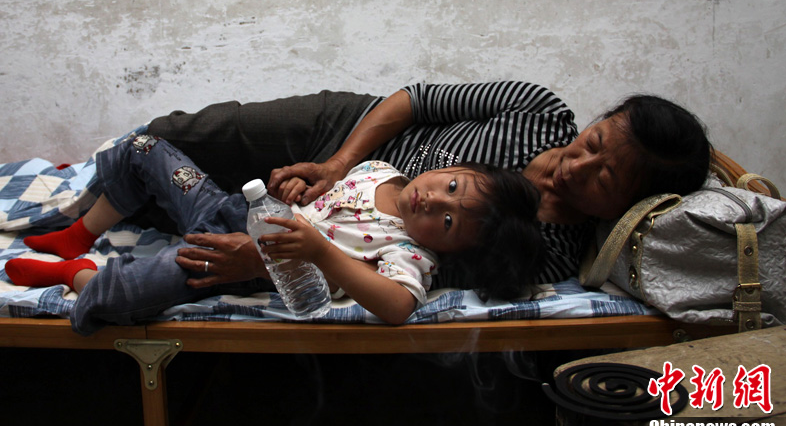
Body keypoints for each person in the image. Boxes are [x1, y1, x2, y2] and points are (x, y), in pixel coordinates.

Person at [155, 82, 712, 290]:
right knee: (178, 136)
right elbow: (414, 99)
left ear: (628, 206)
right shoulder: (539, 110)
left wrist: (267, 262)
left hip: (337, 224)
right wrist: (334, 165)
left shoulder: (548, 253)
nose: (577, 166)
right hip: (343, 133)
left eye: (606, 177)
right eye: (594, 142)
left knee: (181, 223)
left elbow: (398, 267)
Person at [6, 134, 544, 333]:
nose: (435, 199)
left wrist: (320, 253)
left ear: (449, 248)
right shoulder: (379, 172)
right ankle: (79, 232)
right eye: (450, 184)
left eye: (448, 219)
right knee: (144, 147)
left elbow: (398, 307)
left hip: (235, 269)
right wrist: (295, 190)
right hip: (228, 213)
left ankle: (75, 275)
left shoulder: (408, 252)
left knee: (136, 291)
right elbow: (321, 201)